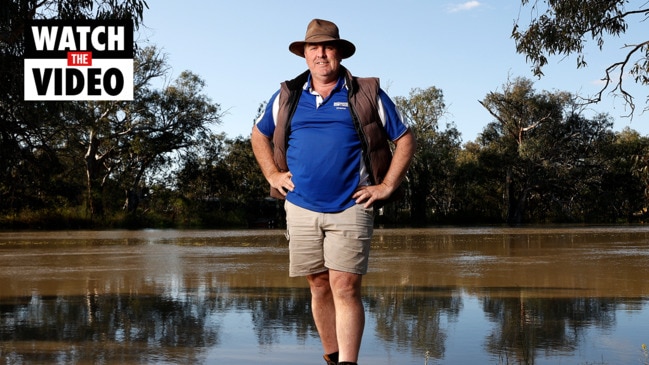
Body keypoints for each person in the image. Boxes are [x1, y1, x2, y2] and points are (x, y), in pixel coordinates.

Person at [251, 18, 416, 365]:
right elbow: (258, 134)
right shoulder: (288, 96)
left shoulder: (365, 94)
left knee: (344, 285)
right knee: (319, 284)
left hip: (351, 205)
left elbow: (404, 139)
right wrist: (273, 173)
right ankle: (332, 356)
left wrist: (386, 186)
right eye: (314, 47)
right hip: (300, 206)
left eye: (328, 47)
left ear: (339, 52)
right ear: (305, 54)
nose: (321, 54)